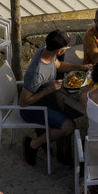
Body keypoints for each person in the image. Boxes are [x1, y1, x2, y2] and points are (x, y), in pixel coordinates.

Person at [20, 30, 77, 165]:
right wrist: (49, 89)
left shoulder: (46, 50)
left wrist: (82, 67)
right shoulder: (36, 73)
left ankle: (51, 143)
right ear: (59, 51)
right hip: (32, 109)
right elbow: (23, 102)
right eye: (66, 47)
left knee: (71, 109)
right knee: (69, 126)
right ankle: (32, 145)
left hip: (47, 100)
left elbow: (59, 65)